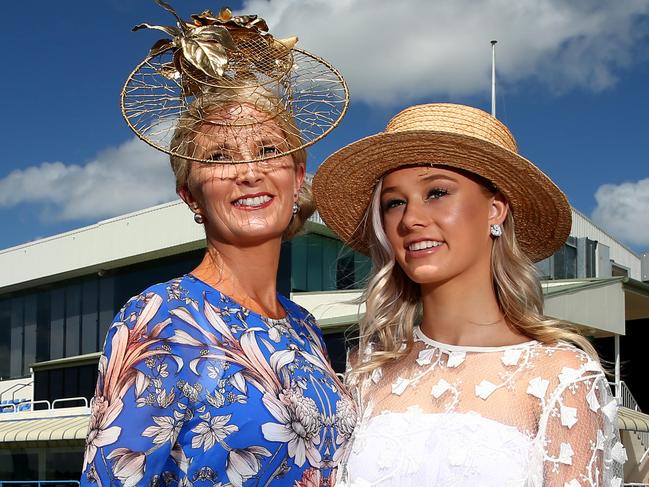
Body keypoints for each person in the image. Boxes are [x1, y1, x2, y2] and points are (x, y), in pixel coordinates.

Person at [81, 4, 354, 487]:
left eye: (269, 150)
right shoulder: (159, 316)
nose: (249, 171)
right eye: (219, 157)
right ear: (191, 195)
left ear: (297, 175)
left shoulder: (304, 326)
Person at [313, 103, 626, 486]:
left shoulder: (562, 377)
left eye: (437, 192)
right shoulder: (368, 373)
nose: (410, 219)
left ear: (495, 210)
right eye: (394, 202)